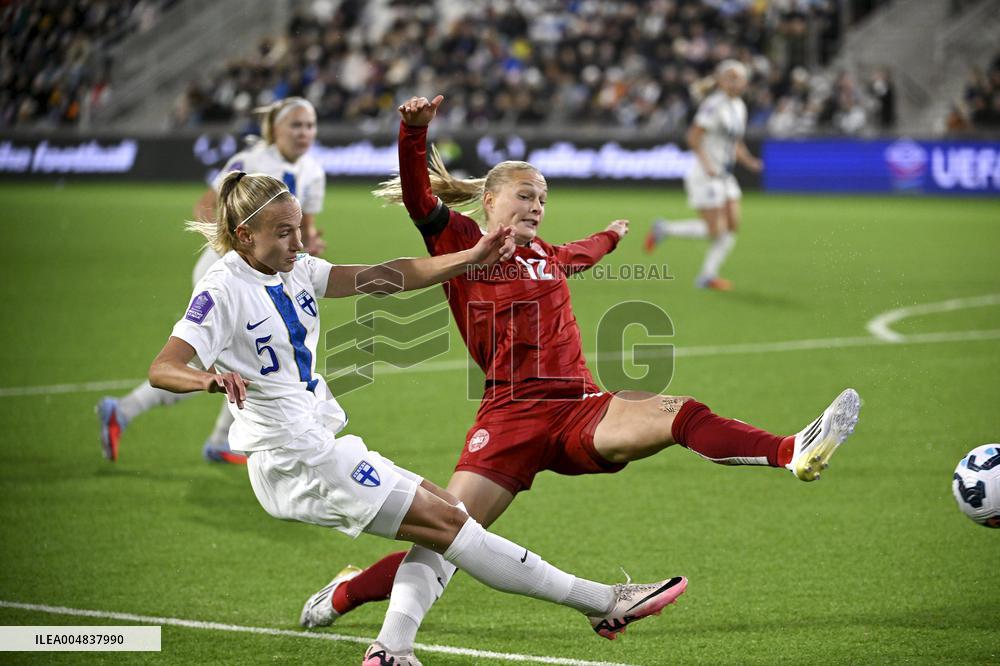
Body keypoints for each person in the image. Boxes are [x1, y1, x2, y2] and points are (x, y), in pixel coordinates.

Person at [311, 94, 860, 661]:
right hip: (510, 416)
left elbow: (582, 252)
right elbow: (418, 195)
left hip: (581, 408)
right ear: (491, 199)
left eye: (543, 199)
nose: (537, 206)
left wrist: (613, 235)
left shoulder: (544, 254)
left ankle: (792, 450)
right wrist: (413, 132)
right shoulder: (456, 241)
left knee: (679, 412)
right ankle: (352, 597)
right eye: (526, 195)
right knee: (446, 535)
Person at [149, 171, 687, 666]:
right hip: (297, 458)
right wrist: (208, 379)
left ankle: (392, 649)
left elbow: (388, 277)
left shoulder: (294, 270)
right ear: (245, 236)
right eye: (284, 233)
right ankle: (601, 601)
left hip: (322, 445)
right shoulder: (223, 289)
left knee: (447, 520)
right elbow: (164, 366)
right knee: (453, 525)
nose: (299, 242)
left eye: (297, 229)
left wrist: (469, 257)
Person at [97, 97, 327, 464]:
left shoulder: (314, 171)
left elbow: (308, 230)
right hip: (227, 271)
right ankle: (129, 411)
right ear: (275, 130)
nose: (304, 133)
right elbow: (206, 205)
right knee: (220, 360)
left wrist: (309, 244)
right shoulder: (251, 164)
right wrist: (238, 250)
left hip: (269, 274)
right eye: (295, 126)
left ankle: (215, 437)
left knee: (258, 355)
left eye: (310, 125)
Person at [644, 60, 764, 291]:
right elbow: (693, 137)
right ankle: (665, 229)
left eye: (738, 77)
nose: (735, 82)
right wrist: (707, 164)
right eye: (730, 77)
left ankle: (708, 276)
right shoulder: (713, 105)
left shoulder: (739, 105)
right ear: (719, 80)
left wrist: (749, 161)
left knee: (732, 227)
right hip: (706, 174)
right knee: (715, 230)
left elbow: (735, 141)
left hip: (725, 176)